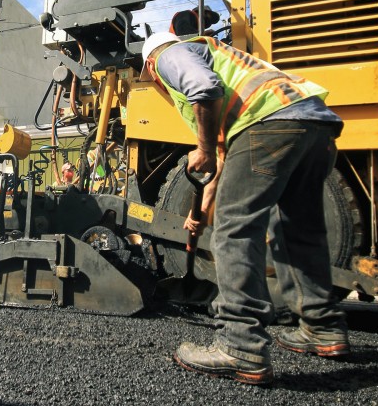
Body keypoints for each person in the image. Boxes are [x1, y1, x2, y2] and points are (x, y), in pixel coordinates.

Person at [140, 31, 349, 385]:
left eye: (151, 80)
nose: (157, 84)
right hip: (314, 124)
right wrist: (199, 214)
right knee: (299, 228)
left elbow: (202, 88)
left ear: (149, 62)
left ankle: (240, 346)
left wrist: (202, 149)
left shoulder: (168, 54)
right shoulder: (224, 60)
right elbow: (224, 166)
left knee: (236, 229)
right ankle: (322, 327)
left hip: (271, 124)